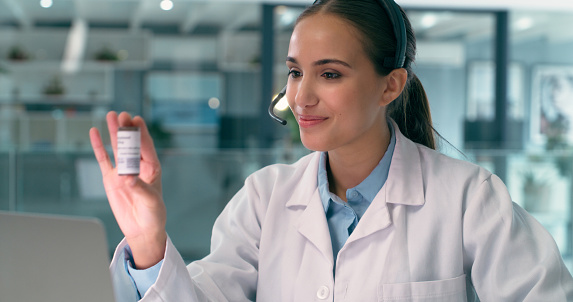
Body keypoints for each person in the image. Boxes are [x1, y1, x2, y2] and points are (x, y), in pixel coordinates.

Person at [89, 0, 573, 301]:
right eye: (296, 71)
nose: (301, 97)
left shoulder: (469, 198)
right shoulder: (264, 198)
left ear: (390, 86)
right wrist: (148, 240)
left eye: (331, 73)